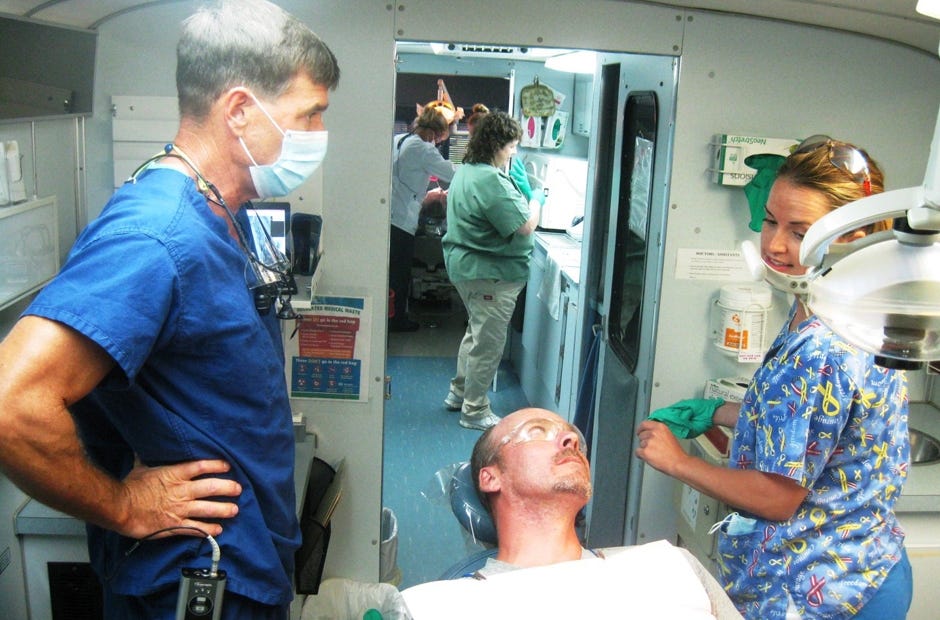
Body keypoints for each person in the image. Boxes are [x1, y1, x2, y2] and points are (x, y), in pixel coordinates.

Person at [0, 1, 339, 617]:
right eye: (308, 114)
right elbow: (10, 403)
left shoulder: (221, 212)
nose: (317, 134)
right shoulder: (157, 237)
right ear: (240, 110)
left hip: (246, 557)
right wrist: (122, 505)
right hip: (194, 578)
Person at [636, 136, 912, 620]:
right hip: (866, 566)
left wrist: (677, 463)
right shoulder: (831, 303)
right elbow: (815, 425)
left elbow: (777, 498)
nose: (774, 245)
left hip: (828, 592)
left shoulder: (824, 345)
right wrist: (720, 413)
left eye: (799, 230)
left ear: (855, 236)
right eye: (769, 221)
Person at [400, 407, 741, 618]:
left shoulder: (673, 567)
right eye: (537, 431)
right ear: (491, 477)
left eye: (571, 436)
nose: (569, 440)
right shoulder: (438, 607)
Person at [440, 111, 541, 431]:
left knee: (476, 334)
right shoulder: (488, 179)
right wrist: (538, 199)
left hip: (469, 267)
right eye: (511, 146)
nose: (513, 152)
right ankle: (475, 410)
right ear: (496, 144)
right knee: (488, 343)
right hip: (489, 273)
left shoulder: (468, 171)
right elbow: (525, 225)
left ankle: (458, 393)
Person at [389, 103, 458, 332]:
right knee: (399, 273)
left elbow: (404, 178)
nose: (438, 143)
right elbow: (452, 174)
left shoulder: (400, 139)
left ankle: (392, 316)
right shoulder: (424, 149)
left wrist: (426, 195)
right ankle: (397, 320)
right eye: (440, 139)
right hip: (401, 219)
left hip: (391, 214)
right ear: (436, 134)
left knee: (392, 271)